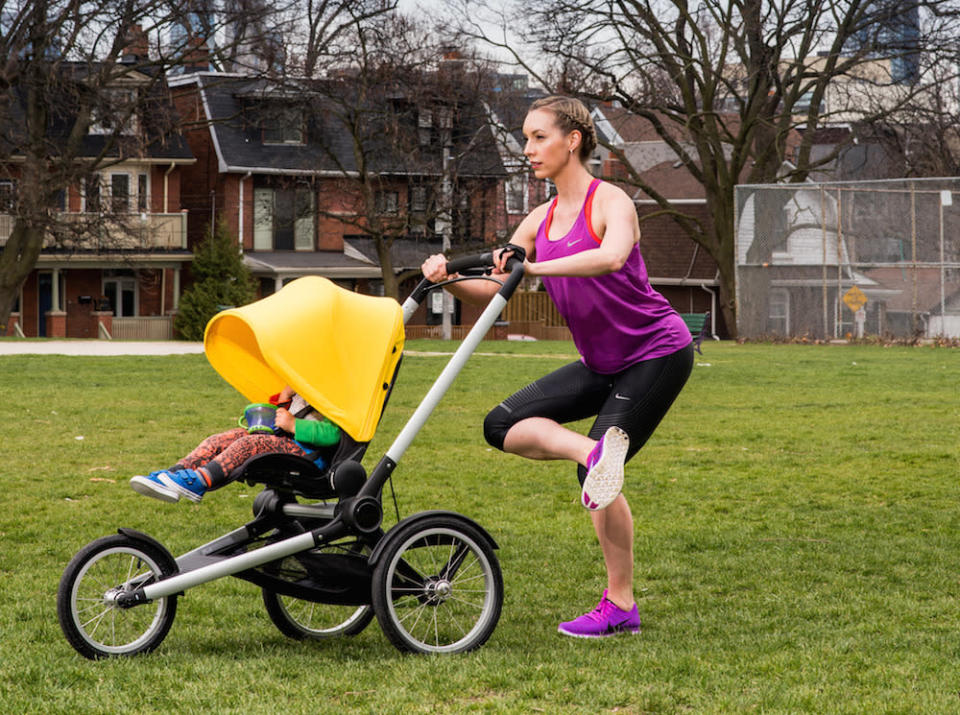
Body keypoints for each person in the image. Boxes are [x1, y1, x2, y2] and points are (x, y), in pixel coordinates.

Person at [420, 96, 694, 639]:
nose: (528, 149)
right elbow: (499, 291)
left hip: (656, 352)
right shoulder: (539, 219)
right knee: (500, 425)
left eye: (539, 137)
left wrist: (538, 265)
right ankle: (594, 452)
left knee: (592, 480)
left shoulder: (610, 201)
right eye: (525, 138)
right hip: (600, 362)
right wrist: (444, 278)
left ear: (573, 140)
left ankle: (620, 606)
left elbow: (611, 256)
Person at [129, 385, 341, 503]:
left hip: (307, 457)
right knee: (222, 439)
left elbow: (333, 434)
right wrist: (284, 397)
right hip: (283, 443)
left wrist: (295, 425)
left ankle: (199, 482)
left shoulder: (334, 396)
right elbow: (281, 417)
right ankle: (174, 475)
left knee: (250, 444)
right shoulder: (302, 386)